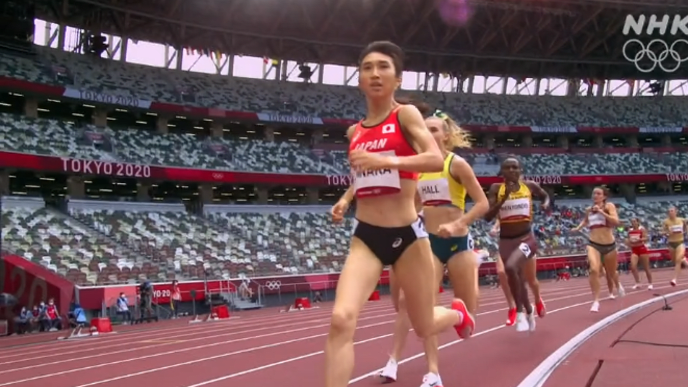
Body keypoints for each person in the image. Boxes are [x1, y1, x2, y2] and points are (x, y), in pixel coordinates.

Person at [325, 41, 473, 387]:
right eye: (367, 67)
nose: (375, 73)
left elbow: (434, 159)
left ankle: (456, 313)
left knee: (423, 326)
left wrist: (387, 159)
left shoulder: (405, 116)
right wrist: (346, 198)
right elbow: (364, 173)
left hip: (407, 237)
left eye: (383, 67)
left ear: (397, 78)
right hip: (367, 237)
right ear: (359, 79)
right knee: (341, 319)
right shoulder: (355, 132)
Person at [377, 107, 489, 387]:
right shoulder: (419, 169)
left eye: (434, 129)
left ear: (446, 135)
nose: (427, 133)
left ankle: (473, 267)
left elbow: (483, 204)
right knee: (417, 307)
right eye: (424, 129)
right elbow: (413, 207)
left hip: (458, 243)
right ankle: (429, 371)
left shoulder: (456, 164)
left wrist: (457, 223)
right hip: (429, 245)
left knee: (467, 326)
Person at [484, 157, 549, 332]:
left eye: (515, 167)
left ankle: (519, 313)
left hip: (526, 238)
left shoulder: (529, 186)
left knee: (511, 268)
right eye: (508, 167)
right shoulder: (496, 189)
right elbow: (488, 216)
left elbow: (545, 195)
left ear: (520, 170)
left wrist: (545, 203)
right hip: (506, 241)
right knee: (518, 280)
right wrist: (502, 199)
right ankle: (528, 310)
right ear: (502, 171)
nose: (512, 170)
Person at [572, 186, 624, 313]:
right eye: (594, 193)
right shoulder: (588, 210)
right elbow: (585, 221)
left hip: (609, 245)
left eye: (598, 193)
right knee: (594, 269)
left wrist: (601, 212)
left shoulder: (609, 206)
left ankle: (618, 285)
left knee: (611, 273)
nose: (595, 196)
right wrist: (578, 228)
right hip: (593, 244)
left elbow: (616, 221)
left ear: (604, 196)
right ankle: (595, 301)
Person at [626, 217, 653, 290]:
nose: (633, 223)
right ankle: (637, 282)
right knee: (633, 266)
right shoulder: (630, 230)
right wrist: (629, 242)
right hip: (634, 250)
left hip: (642, 249)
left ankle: (650, 283)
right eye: (632, 221)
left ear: (638, 222)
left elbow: (646, 238)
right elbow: (628, 239)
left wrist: (639, 239)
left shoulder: (642, 229)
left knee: (646, 267)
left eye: (634, 221)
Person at [663, 206, 686, 286]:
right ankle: (683, 260)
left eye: (672, 211)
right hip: (671, 244)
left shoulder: (682, 220)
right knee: (674, 260)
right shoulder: (666, 221)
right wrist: (668, 233)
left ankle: (674, 279)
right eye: (669, 211)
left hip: (680, 242)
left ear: (676, 212)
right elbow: (662, 232)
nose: (670, 212)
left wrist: (684, 231)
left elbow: (686, 227)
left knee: (677, 260)